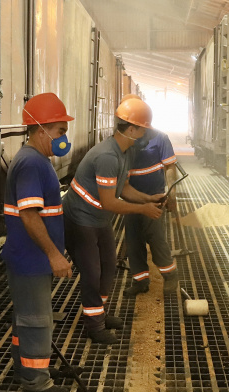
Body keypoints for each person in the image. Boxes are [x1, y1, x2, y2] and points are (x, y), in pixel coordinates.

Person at [63, 97, 164, 344]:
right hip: (80, 219)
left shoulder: (125, 152)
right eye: (143, 129)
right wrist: (143, 210)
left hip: (98, 218)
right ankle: (94, 326)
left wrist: (148, 198)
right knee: (92, 272)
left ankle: (99, 313)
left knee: (108, 267)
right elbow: (110, 202)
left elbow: (124, 187)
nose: (146, 135)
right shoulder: (107, 156)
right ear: (131, 129)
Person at [2, 92, 74, 392]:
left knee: (26, 317)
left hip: (29, 258)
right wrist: (54, 255)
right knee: (36, 320)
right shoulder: (32, 163)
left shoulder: (34, 159)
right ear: (41, 129)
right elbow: (29, 216)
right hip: (31, 259)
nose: (63, 139)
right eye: (60, 132)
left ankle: (28, 368)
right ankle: (35, 382)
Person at [122, 96, 179, 296]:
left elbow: (169, 168)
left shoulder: (160, 138)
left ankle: (171, 278)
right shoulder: (125, 139)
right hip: (131, 199)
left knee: (156, 239)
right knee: (133, 240)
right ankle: (140, 281)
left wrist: (171, 195)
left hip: (154, 198)